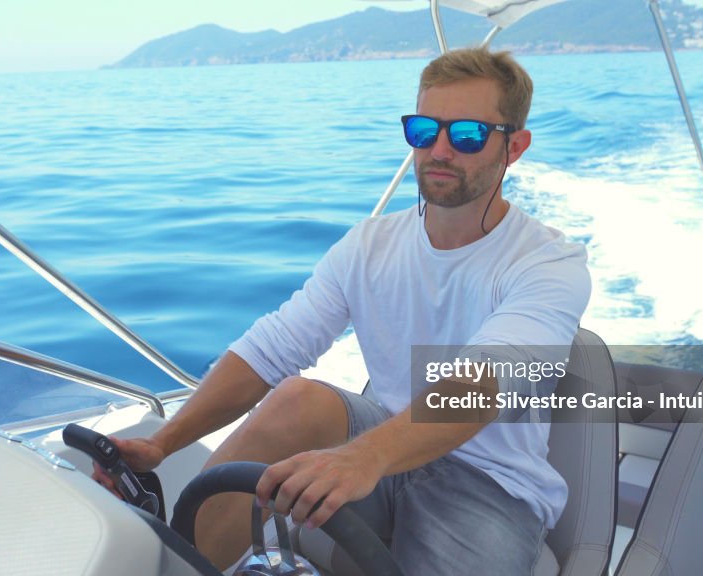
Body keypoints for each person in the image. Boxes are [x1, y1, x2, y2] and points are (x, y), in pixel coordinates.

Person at [94, 47, 590, 574]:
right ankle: (174, 566)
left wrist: (363, 458)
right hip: (380, 447)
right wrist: (163, 443)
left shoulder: (548, 263)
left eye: (467, 135)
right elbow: (273, 348)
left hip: (487, 483)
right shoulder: (370, 245)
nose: (439, 150)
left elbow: (485, 380)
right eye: (424, 130)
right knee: (297, 400)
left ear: (514, 147)